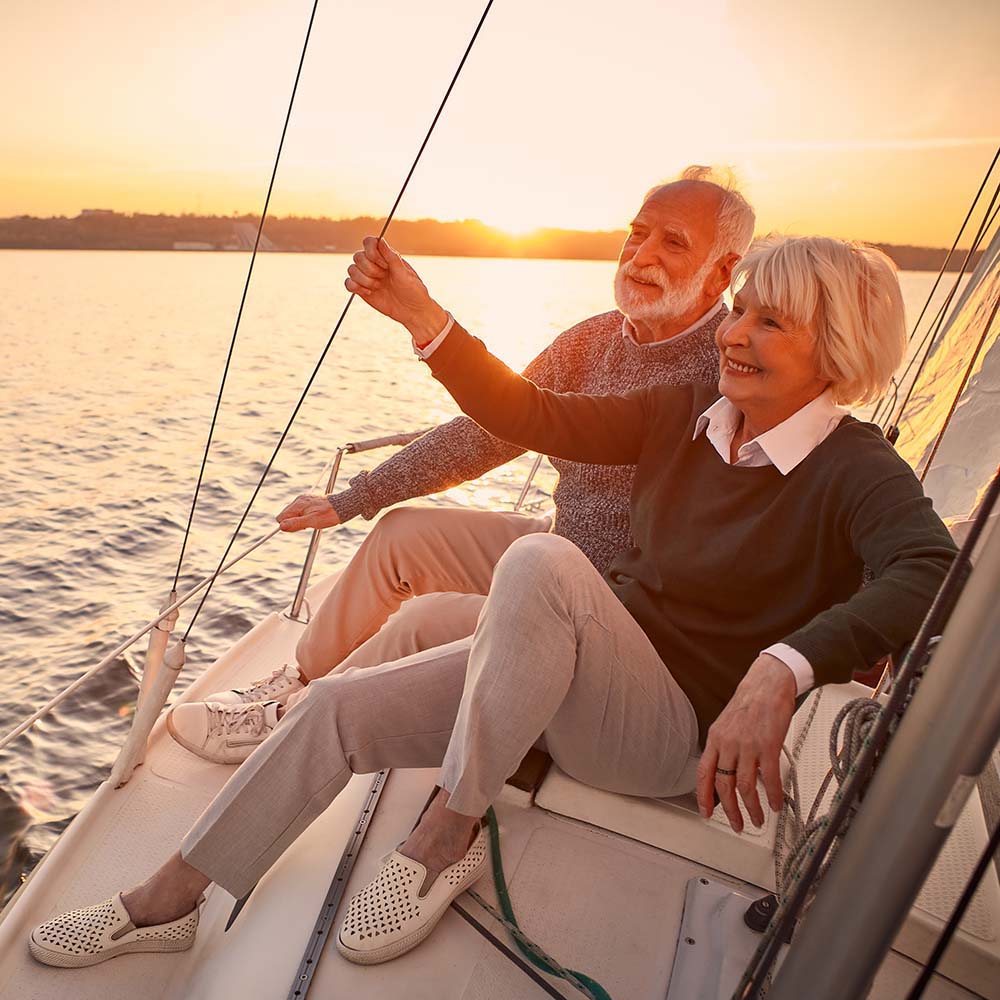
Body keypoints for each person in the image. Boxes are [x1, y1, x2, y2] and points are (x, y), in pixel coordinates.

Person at [29, 233, 958, 972]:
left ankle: (450, 827)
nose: (734, 332)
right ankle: (169, 899)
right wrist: (426, 321)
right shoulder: (682, 411)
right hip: (588, 678)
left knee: (543, 563)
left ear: (835, 348)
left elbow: (929, 574)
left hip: (671, 738)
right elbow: (532, 415)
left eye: (770, 323)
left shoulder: (857, 470)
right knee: (338, 707)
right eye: (740, 309)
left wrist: (781, 669)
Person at [165, 167, 756, 762]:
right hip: (558, 544)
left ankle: (299, 726)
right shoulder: (591, 340)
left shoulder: (734, 371)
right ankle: (302, 679)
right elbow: (488, 432)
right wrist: (352, 499)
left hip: (615, 611)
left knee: (424, 618)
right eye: (637, 232)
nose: (641, 256)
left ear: (724, 271)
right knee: (401, 535)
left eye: (673, 242)